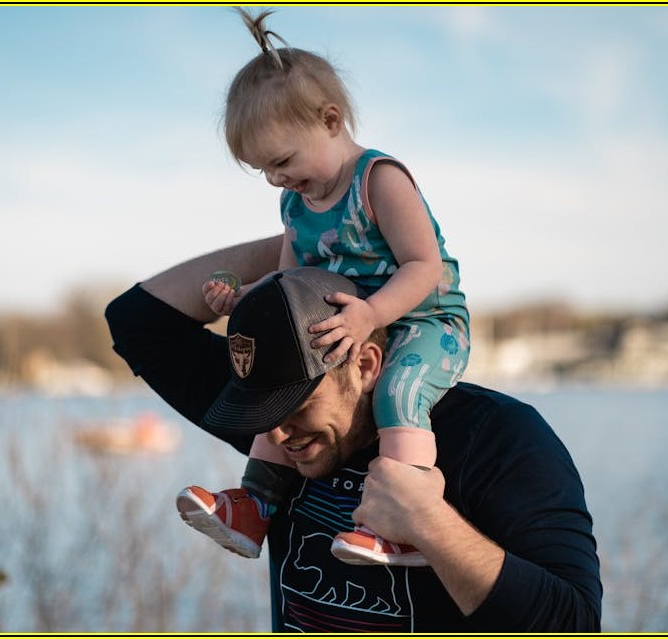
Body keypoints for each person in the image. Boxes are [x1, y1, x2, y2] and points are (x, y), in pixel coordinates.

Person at [104, 238, 602, 632]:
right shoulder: (281, 441)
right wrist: (313, 236)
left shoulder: (499, 438)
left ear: (364, 365)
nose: (275, 432)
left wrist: (429, 524)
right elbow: (137, 321)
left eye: (295, 407)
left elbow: (575, 625)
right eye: (261, 410)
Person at [181, 6, 471, 567]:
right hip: (352, 327)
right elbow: (291, 279)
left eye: (282, 160)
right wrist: (245, 294)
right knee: (279, 381)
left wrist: (371, 313)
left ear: (331, 121)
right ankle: (255, 506)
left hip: (425, 323)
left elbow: (424, 266)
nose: (277, 178)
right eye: (264, 169)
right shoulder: (295, 204)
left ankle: (406, 524)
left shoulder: (379, 181)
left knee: (397, 392)